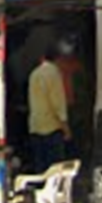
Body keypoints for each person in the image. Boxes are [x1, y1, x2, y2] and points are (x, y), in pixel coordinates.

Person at [27, 46, 70, 174]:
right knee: (55, 169)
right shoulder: (54, 74)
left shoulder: (34, 74)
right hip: (52, 128)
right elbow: (57, 103)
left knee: (40, 167)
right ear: (59, 59)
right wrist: (65, 127)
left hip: (35, 125)